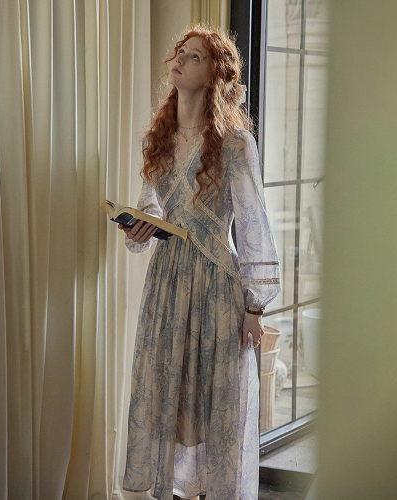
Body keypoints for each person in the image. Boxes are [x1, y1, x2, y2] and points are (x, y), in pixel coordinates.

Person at [120, 25, 281, 500]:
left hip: (215, 284)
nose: (179, 59)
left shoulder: (235, 144)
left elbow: (253, 225)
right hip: (167, 283)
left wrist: (255, 306)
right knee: (168, 399)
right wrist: (141, 224)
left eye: (194, 56)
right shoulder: (157, 141)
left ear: (213, 74)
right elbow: (151, 202)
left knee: (214, 404)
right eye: (180, 52)